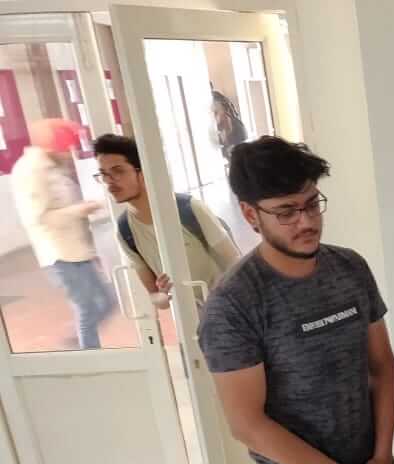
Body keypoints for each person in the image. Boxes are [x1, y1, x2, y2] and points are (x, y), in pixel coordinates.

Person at [199, 136, 394, 464]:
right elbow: (248, 424)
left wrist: (381, 459)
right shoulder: (234, 303)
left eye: (312, 204)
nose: (306, 221)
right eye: (286, 212)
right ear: (250, 214)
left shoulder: (350, 268)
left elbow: (382, 367)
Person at [94, 133, 240, 307]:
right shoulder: (125, 230)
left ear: (142, 172)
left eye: (118, 171)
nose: (109, 182)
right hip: (188, 317)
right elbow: (156, 298)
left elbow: (235, 262)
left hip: (227, 307)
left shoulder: (189, 208)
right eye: (104, 174)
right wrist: (163, 296)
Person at [11, 118, 112, 349]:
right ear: (52, 146)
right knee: (87, 308)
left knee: (106, 302)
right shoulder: (31, 171)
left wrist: (90, 249)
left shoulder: (53, 167)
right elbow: (39, 217)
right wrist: (81, 210)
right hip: (59, 254)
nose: (70, 154)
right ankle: (90, 354)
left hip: (77, 250)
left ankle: (77, 342)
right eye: (67, 148)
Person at [212, 90, 248, 161]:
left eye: (215, 113)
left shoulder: (238, 128)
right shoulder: (214, 130)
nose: (213, 117)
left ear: (224, 109)